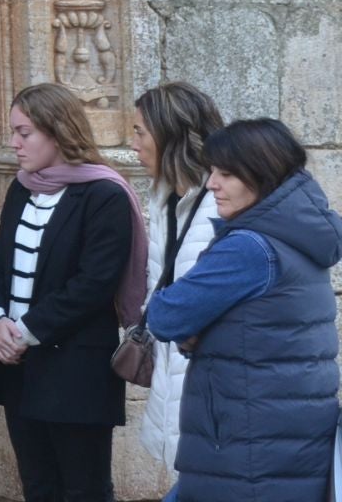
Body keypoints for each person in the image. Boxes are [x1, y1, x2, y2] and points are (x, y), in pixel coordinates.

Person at [146, 118, 342, 502]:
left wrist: (198, 328)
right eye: (212, 171)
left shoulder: (249, 247)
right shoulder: (295, 234)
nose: (211, 183)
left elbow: (165, 315)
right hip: (280, 442)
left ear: (262, 174)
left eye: (227, 174)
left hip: (247, 450)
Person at [0, 83, 145, 502]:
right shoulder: (21, 186)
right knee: (38, 486)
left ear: (58, 130)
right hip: (17, 367)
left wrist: (23, 332)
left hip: (75, 369)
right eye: (13, 132)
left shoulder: (104, 194)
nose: (14, 143)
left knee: (84, 489)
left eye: (24, 132)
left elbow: (93, 283)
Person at [127, 81, 224, 473]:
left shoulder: (221, 204)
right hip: (173, 387)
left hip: (209, 395)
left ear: (169, 135)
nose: (133, 143)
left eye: (140, 132)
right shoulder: (166, 199)